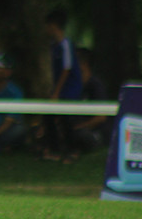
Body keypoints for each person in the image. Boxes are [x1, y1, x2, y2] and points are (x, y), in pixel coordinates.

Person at [42, 9, 84, 163]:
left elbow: (67, 69)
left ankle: (72, 151)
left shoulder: (65, 45)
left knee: (67, 118)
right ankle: (54, 149)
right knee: (48, 115)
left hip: (70, 89)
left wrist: (56, 92)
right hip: (61, 89)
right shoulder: (54, 46)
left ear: (53, 25)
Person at [70, 47, 111, 152]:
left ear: (84, 64)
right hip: (75, 128)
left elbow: (101, 117)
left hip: (94, 132)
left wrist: (79, 127)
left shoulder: (95, 86)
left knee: (80, 135)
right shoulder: (72, 87)